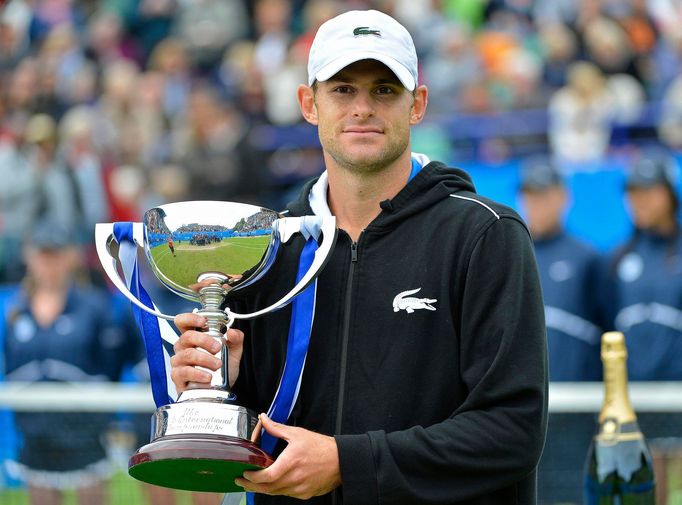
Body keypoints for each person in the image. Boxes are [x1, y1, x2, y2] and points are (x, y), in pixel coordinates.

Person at [170, 9, 548, 505]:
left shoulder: (484, 235)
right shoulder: (269, 244)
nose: (363, 108)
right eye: (343, 89)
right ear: (310, 103)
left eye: (385, 90)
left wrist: (347, 463)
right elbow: (261, 436)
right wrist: (225, 384)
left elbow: (511, 431)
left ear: (418, 105)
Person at [1, 219, 136, 505]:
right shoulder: (15, 311)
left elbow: (112, 365)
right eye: (42, 254)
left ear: (71, 256)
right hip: (35, 437)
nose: (48, 263)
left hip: (85, 436)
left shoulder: (95, 307)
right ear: (28, 255)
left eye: (56, 254)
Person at [517, 158, 603, 505]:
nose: (537, 204)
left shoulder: (588, 259)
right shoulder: (509, 250)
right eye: (530, 196)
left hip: (575, 414)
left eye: (545, 195)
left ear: (563, 198)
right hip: (520, 416)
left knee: (569, 493)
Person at [604, 153, 682, 380]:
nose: (640, 201)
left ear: (670, 194)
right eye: (633, 193)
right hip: (631, 393)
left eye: (649, 191)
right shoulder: (618, 257)